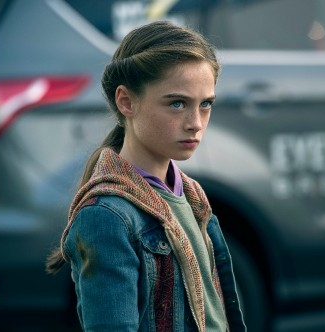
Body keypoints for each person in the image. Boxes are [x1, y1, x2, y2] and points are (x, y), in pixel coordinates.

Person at [46, 20, 246, 332]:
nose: (195, 122)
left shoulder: (193, 197)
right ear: (126, 101)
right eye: (177, 103)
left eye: (205, 104)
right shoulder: (106, 217)